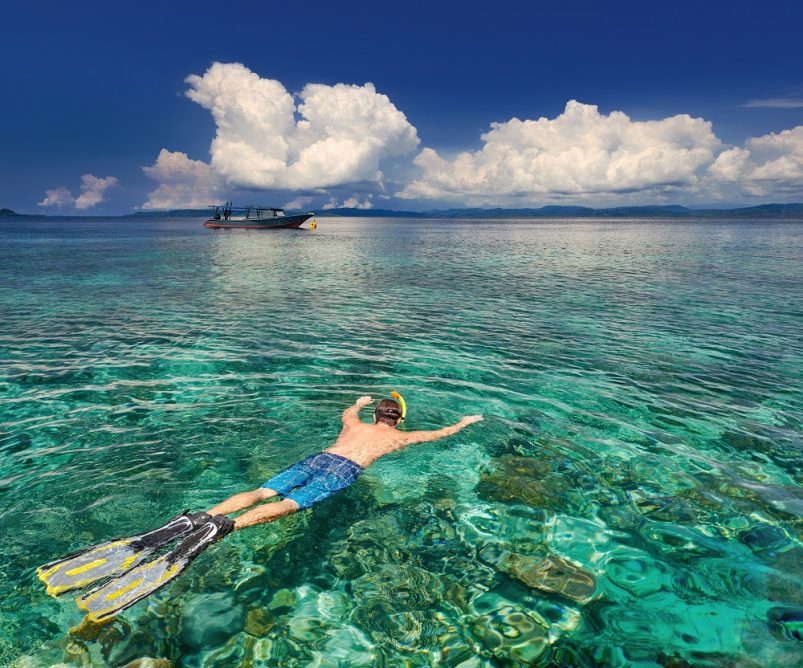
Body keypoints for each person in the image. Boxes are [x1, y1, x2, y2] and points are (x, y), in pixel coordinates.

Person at [37, 394, 482, 623]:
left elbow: (348, 409)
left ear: (375, 414)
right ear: (398, 419)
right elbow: (439, 434)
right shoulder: (399, 438)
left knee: (263, 489)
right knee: (288, 505)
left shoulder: (353, 423)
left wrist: (360, 402)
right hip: (340, 472)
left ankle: (200, 517)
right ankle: (222, 529)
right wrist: (463, 423)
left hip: (319, 457)